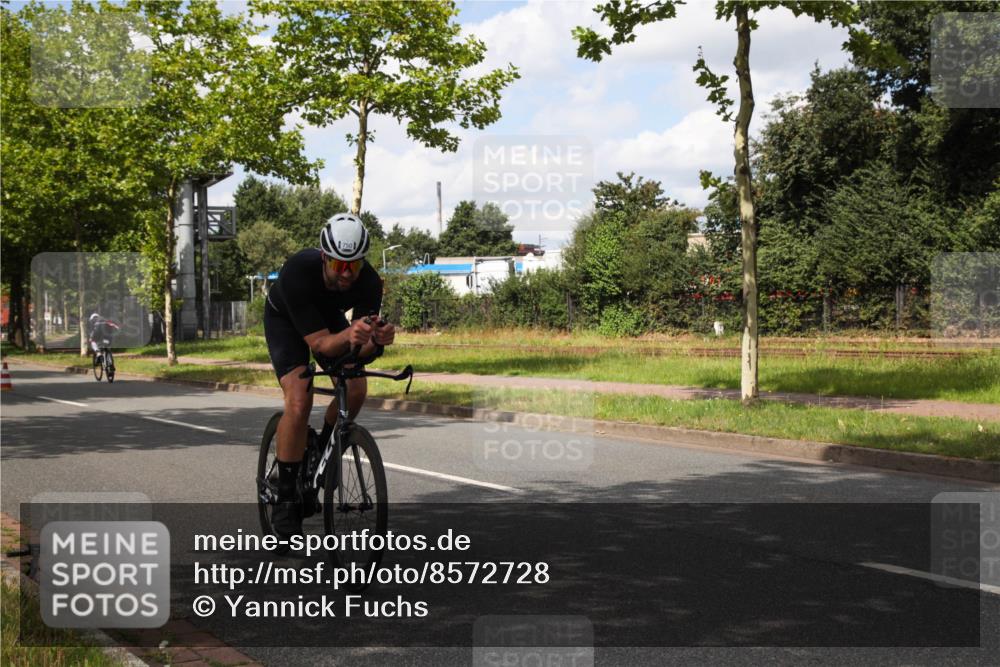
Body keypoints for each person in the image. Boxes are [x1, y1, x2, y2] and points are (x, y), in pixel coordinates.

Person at [263, 213, 395, 538]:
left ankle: (322, 449)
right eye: (339, 266)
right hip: (286, 321)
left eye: (354, 265)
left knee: (357, 388)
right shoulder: (298, 271)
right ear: (325, 257)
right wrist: (351, 336)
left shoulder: (369, 281)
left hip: (329, 318)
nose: (347, 274)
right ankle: (285, 492)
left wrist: (375, 341)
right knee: (299, 398)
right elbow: (321, 343)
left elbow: (356, 348)